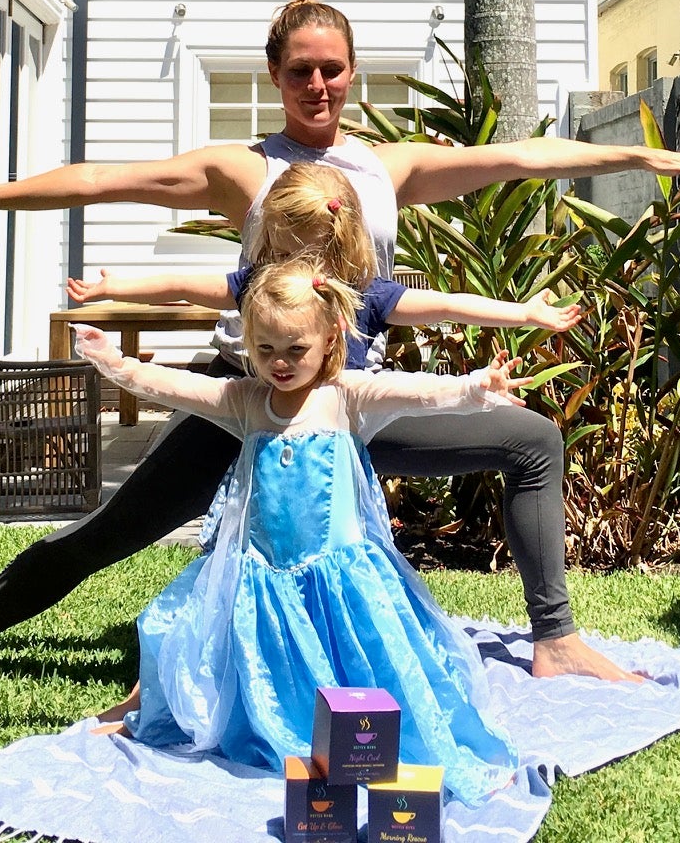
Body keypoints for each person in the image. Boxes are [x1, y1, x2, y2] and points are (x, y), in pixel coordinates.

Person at [0, 0, 680, 698]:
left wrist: (640, 153)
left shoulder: (386, 168)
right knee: (111, 533)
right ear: (276, 76)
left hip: (352, 402)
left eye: (332, 68)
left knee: (533, 441)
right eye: (301, 70)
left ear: (351, 73)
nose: (318, 84)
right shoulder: (243, 169)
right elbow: (104, 178)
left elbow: (517, 158)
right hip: (245, 402)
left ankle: (557, 639)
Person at [73, 261, 525, 805]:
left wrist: (479, 388)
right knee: (245, 661)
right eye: (265, 351)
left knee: (361, 663)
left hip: (339, 578)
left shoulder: (346, 396)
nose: (280, 364)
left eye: (294, 349)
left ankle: (364, 742)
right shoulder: (245, 401)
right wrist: (113, 361)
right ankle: (277, 729)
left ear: (330, 337)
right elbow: (173, 385)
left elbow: (418, 392)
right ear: (247, 342)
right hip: (264, 577)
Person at [66, 162, 584, 368]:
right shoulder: (259, 286)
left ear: (340, 241)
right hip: (266, 424)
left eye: (307, 252)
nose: (296, 262)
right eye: (287, 248)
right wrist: (118, 286)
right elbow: (186, 285)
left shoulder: (366, 295)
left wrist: (523, 313)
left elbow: (448, 306)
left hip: (342, 428)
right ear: (269, 236)